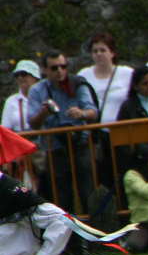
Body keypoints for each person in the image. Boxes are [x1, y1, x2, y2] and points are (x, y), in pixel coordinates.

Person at [26, 51, 100, 213]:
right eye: (54, 68)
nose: (59, 71)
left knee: (88, 192)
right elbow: (33, 123)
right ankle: (66, 235)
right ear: (45, 70)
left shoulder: (77, 83)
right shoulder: (37, 90)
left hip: (81, 144)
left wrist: (82, 113)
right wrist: (44, 112)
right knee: (61, 197)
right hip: (55, 147)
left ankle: (92, 234)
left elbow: (93, 111)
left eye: (63, 66)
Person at [78, 32, 134, 127]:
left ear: (112, 53)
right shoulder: (83, 75)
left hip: (123, 129)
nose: (98, 54)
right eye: (95, 51)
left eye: (103, 50)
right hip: (96, 131)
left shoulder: (128, 73)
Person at [2, 59, 41, 134]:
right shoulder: (11, 101)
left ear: (35, 77)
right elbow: (5, 130)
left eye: (23, 74)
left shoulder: (45, 96)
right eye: (17, 75)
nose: (20, 78)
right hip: (21, 142)